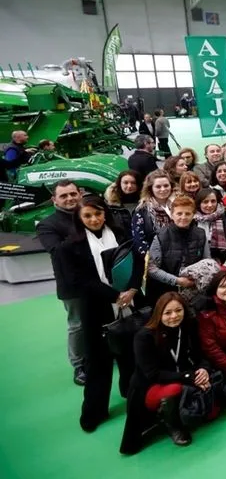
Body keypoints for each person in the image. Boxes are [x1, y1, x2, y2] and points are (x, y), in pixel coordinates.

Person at [58, 195, 143, 432]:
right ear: (79, 218)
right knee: (98, 362)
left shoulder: (122, 235)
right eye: (88, 215)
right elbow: (80, 281)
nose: (94, 219)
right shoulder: (69, 247)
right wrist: (115, 296)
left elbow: (137, 262)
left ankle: (132, 393)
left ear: (105, 213)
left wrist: (133, 288)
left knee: (132, 354)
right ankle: (94, 412)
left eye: (98, 213)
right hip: (97, 309)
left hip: (131, 301)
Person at [120, 293, 212, 454]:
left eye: (178, 310)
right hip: (150, 386)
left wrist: (203, 370)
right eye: (168, 312)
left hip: (182, 375)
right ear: (159, 313)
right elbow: (153, 374)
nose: (174, 316)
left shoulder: (189, 326)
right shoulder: (144, 337)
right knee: (175, 389)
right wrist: (189, 377)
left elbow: (200, 355)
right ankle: (173, 426)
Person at [36, 181, 86, 385]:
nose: (70, 198)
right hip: (72, 284)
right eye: (64, 196)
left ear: (80, 194)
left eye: (73, 194)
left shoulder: (88, 213)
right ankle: (79, 365)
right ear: (54, 199)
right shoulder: (47, 225)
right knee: (77, 325)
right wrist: (85, 232)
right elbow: (57, 251)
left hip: (100, 278)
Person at [147, 195, 209, 305]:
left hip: (195, 291)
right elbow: (152, 269)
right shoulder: (161, 236)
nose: (183, 217)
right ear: (172, 215)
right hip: (167, 292)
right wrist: (177, 281)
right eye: (179, 213)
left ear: (193, 215)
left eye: (188, 213)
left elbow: (207, 262)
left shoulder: (201, 234)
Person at [131, 171, 175, 259]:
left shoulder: (179, 205)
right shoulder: (142, 210)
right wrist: (152, 259)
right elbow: (139, 240)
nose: (163, 189)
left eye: (166, 185)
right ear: (151, 188)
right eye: (158, 186)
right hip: (154, 259)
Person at [194, 188, 226, 269]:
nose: (210, 205)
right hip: (200, 266)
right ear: (199, 203)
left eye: (213, 201)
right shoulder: (193, 220)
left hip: (224, 264)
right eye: (205, 202)